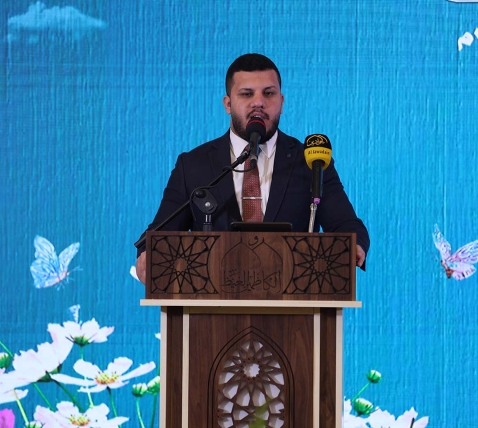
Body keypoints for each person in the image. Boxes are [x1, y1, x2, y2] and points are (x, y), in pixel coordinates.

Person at [135, 53, 369, 282]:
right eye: (247, 94)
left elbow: (347, 226)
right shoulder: (193, 165)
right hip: (214, 302)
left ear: (281, 102)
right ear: (228, 104)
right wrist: (148, 252)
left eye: (269, 93)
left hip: (294, 301)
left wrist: (354, 245)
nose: (259, 102)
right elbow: (160, 232)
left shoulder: (311, 162)